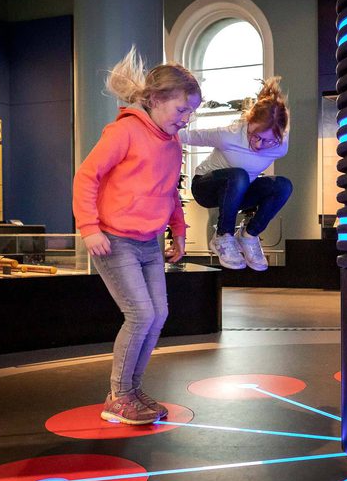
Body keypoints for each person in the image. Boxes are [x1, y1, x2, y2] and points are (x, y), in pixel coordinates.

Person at [72, 47, 201, 425]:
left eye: (191, 111)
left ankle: (132, 388)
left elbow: (169, 192)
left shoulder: (172, 143)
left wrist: (178, 231)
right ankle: (118, 395)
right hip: (114, 240)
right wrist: (89, 228)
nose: (186, 118)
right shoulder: (124, 131)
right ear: (157, 100)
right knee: (140, 313)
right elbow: (87, 177)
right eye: (181, 109)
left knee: (158, 313)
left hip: (147, 242)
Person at [179, 77, 292, 271]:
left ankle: (248, 236)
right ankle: (223, 236)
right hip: (206, 187)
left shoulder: (281, 147)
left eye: (268, 141)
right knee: (238, 175)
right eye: (254, 135)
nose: (259, 145)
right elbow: (187, 136)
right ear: (248, 122)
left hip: (239, 192)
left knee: (283, 185)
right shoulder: (230, 134)